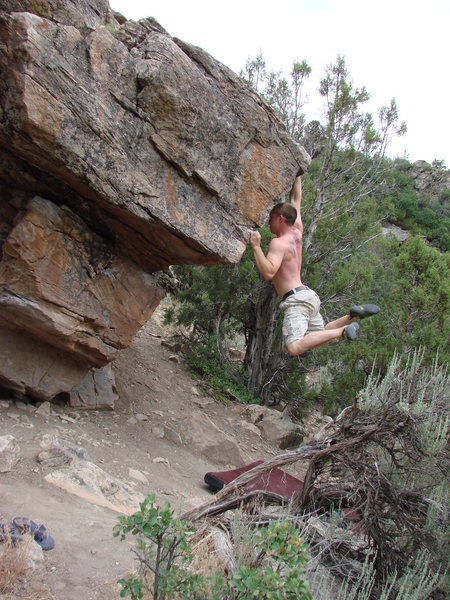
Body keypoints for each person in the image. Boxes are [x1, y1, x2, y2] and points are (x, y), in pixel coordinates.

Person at [249, 174, 379, 356]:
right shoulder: (297, 231)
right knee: (323, 333)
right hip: (307, 295)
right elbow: (295, 198)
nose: (268, 221)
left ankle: (343, 331)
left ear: (280, 219)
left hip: (296, 300)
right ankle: (352, 317)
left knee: (294, 347)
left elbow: (269, 272)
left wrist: (255, 246)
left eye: (271, 217)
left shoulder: (278, 244)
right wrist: (298, 174)